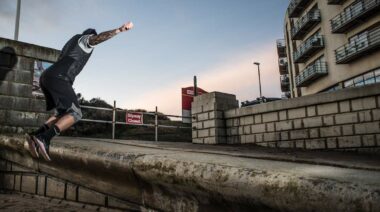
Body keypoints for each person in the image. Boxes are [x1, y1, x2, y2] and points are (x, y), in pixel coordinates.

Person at [27, 22, 134, 161]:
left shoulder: (70, 44)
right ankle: (44, 138)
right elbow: (98, 38)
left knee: (62, 114)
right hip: (60, 78)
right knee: (76, 113)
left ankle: (35, 135)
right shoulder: (85, 40)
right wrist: (119, 30)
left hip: (47, 77)